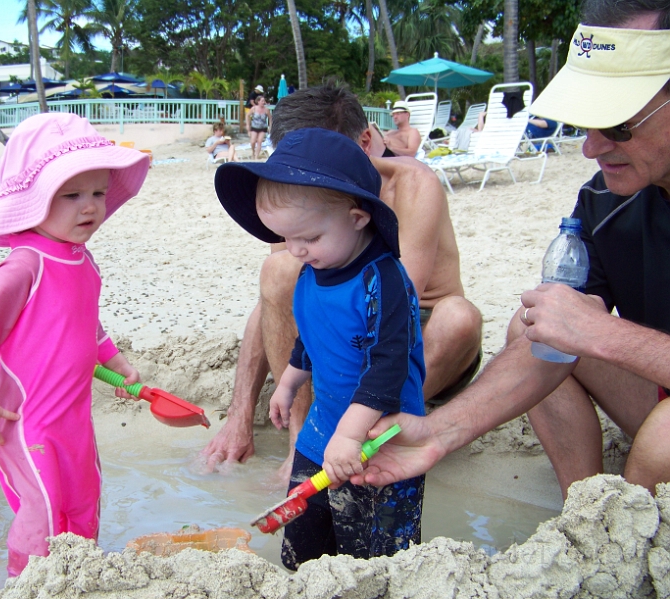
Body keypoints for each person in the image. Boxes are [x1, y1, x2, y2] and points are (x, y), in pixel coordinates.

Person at [350, 3, 670, 500]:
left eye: (617, 125)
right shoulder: (603, 203)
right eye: (585, 122)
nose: (590, 148)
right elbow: (558, 335)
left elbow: (597, 333)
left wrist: (605, 333)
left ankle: (622, 533)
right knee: (537, 326)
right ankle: (584, 512)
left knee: (662, 440)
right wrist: (437, 431)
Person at [201, 82, 482, 473]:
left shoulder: (413, 184)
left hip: (412, 331)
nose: (303, 175)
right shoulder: (294, 192)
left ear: (364, 143)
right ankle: (301, 439)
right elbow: (278, 300)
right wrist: (239, 415)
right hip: (337, 330)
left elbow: (396, 307)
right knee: (279, 271)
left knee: (459, 317)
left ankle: (372, 428)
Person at [0, 113, 150, 576]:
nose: (89, 207)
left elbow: (85, 324)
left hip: (73, 417)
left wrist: (117, 362)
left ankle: (79, 573)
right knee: (42, 510)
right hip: (25, 420)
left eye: (98, 193)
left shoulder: (83, 260)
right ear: (33, 199)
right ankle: (27, 582)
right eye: (71, 195)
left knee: (83, 497)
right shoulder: (25, 265)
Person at [215, 127, 426, 569]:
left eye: (308, 238)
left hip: (378, 438)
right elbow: (312, 334)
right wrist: (289, 383)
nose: (296, 250)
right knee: (304, 542)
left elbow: (389, 366)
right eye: (285, 238)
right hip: (321, 428)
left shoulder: (381, 280)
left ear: (358, 218)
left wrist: (350, 436)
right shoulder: (314, 267)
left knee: (375, 559)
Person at [246, 95, 271, 159]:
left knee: (259, 141)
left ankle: (256, 156)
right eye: (262, 101)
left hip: (263, 127)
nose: (263, 102)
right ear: (258, 101)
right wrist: (248, 125)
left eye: (264, 101)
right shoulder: (254, 108)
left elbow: (270, 118)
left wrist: (270, 127)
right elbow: (247, 115)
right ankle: (253, 152)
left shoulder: (266, 110)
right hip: (254, 127)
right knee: (253, 141)